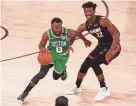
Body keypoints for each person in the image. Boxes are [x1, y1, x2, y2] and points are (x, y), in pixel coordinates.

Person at [17, 17, 91, 102]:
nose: (58, 29)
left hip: (63, 56)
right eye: (55, 27)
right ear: (51, 26)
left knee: (56, 77)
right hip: (50, 54)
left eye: (59, 27)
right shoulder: (47, 34)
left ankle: (63, 70)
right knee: (41, 74)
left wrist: (85, 40)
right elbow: (41, 45)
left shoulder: (68, 32)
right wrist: (42, 49)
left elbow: (78, 34)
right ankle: (24, 93)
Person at [66, 1, 121, 101]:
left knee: (94, 63)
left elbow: (117, 34)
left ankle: (104, 89)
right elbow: (75, 34)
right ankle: (77, 87)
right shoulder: (84, 26)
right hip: (101, 46)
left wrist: (111, 50)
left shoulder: (103, 21)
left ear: (94, 11)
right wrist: (71, 45)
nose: (88, 14)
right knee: (85, 65)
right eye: (86, 12)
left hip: (114, 47)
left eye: (90, 11)